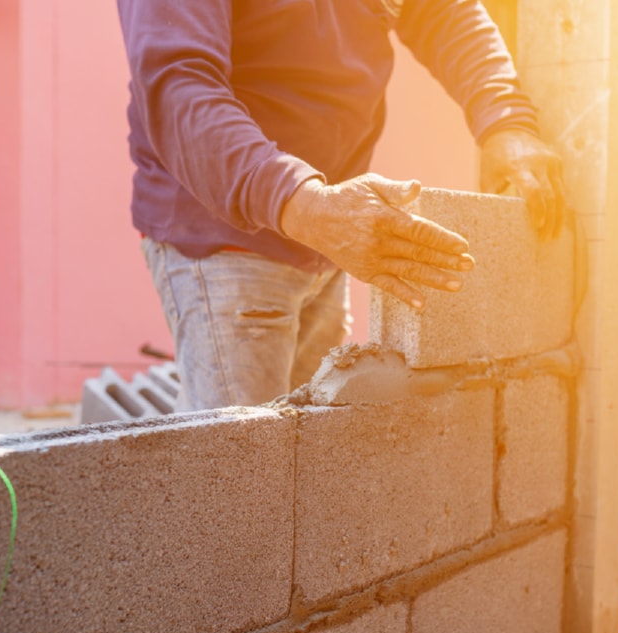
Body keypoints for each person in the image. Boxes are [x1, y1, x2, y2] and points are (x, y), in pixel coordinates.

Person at [116, 0, 564, 412]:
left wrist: (506, 118)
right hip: (227, 240)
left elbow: (438, 10)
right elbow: (178, 85)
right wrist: (304, 205)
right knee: (238, 475)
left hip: (325, 229)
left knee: (308, 461)